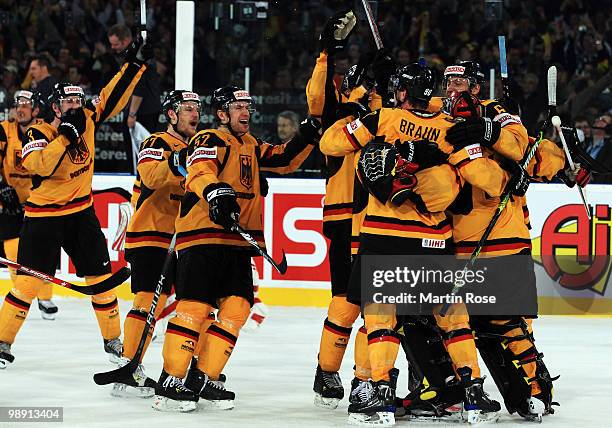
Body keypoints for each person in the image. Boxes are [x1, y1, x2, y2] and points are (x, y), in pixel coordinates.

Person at [321, 63, 504, 426]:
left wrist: (360, 116)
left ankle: (382, 396)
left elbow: (329, 143)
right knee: (452, 317)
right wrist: (469, 148)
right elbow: (491, 181)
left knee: (381, 318)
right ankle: (474, 394)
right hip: (432, 241)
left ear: (403, 92)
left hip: (382, 235)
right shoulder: (451, 128)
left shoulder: (382, 119)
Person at [152, 86, 318, 412]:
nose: (245, 111)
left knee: (238, 309)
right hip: (202, 237)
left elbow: (284, 159)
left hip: (237, 242)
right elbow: (199, 171)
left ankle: (203, 376)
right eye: (237, 106)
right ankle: (170, 380)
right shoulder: (209, 138)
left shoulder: (252, 144)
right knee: (195, 308)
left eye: (247, 105)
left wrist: (307, 135)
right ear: (222, 113)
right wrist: (215, 192)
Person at [0, 36, 151, 369]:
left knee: (103, 282)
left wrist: (135, 64)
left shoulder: (87, 116)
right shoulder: (37, 132)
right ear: (54, 108)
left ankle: (115, 345)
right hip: (42, 218)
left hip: (81, 213)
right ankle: (2, 343)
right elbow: (39, 166)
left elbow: (113, 94)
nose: (75, 106)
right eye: (68, 103)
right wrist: (68, 134)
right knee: (26, 284)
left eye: (77, 101)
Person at [112, 90, 201, 398]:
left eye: (197, 109)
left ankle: (188, 371)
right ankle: (128, 371)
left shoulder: (198, 148)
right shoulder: (157, 142)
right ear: (171, 115)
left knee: (194, 306)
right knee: (148, 301)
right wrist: (178, 160)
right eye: (187, 108)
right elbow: (150, 176)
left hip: (185, 239)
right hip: (151, 235)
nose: (194, 114)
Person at [0, 90, 58, 320]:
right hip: (10, 199)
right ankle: (22, 293)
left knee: (43, 250)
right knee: (13, 248)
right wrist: (1, 187)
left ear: (36, 109)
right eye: (17, 104)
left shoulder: (47, 129)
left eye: (26, 104)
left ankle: (44, 296)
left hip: (40, 199)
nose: (20, 108)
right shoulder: (4, 129)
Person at [107, 24, 161, 133]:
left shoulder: (138, 55)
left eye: (115, 44)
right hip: (142, 110)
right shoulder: (133, 52)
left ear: (126, 40)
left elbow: (139, 86)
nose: (112, 47)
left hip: (142, 113)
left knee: (141, 149)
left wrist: (132, 114)